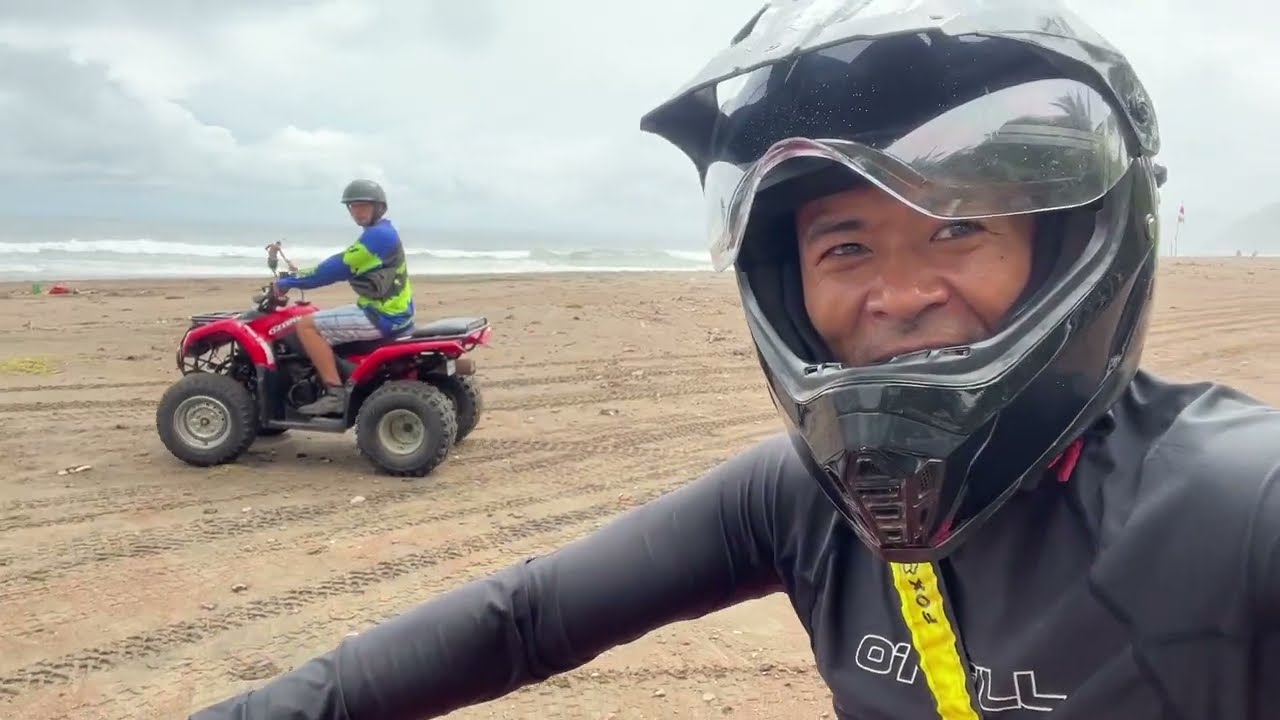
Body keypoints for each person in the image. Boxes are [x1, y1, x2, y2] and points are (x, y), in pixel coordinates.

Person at [190, 2, 1280, 719]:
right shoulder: (803, 503)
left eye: (956, 228)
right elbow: (520, 619)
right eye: (843, 245)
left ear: (1072, 248)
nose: (895, 293)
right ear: (782, 278)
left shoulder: (1236, 509)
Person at [274, 179, 415, 416]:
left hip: (381, 315)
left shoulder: (378, 237)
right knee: (323, 318)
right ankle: (342, 371)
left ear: (378, 207)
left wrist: (289, 282)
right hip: (393, 312)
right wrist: (297, 276)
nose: (357, 212)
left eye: (363, 206)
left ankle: (334, 393)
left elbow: (335, 268)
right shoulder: (383, 231)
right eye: (352, 207)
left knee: (306, 326)